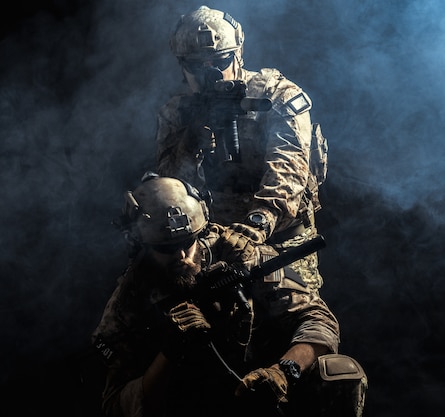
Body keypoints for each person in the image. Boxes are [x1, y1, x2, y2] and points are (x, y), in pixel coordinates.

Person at [91, 174, 367, 417]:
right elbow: (113, 404)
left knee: (340, 372)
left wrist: (283, 372)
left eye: (188, 242)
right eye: (167, 249)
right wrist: (169, 353)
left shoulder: (241, 255)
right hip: (194, 402)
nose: (182, 257)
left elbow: (317, 319)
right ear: (141, 246)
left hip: (261, 388)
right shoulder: (130, 298)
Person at [155, 5, 328, 291]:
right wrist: (189, 145)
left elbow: (288, 173)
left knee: (296, 320)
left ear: (238, 55)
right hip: (214, 245)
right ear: (181, 66)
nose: (210, 73)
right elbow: (169, 190)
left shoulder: (277, 95)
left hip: (280, 242)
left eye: (220, 60)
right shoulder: (176, 112)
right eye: (196, 66)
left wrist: (256, 226)